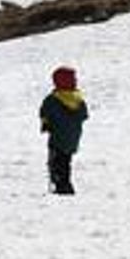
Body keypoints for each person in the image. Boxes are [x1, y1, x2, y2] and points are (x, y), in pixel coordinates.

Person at [40, 66, 89, 195]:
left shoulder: (53, 99)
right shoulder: (78, 99)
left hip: (57, 138)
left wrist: (46, 124)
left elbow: (45, 114)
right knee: (65, 161)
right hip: (72, 138)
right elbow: (84, 115)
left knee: (56, 162)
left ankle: (61, 186)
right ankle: (65, 184)